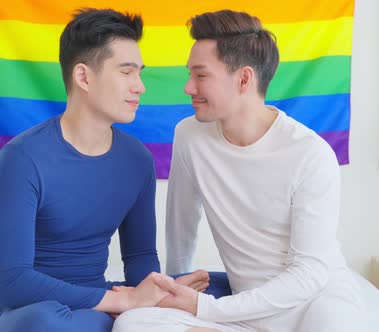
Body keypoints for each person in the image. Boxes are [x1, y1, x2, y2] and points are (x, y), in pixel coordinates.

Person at [113, 10, 364, 332]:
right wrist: (178, 289)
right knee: (133, 324)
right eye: (190, 74)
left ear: (244, 79)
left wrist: (207, 307)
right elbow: (182, 223)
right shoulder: (190, 135)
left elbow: (310, 273)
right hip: (242, 310)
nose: (189, 87)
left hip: (314, 303)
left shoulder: (309, 153)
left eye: (201, 75)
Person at [0, 8, 209, 332]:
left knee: (216, 287)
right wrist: (121, 302)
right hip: (25, 313)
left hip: (94, 307)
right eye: (127, 72)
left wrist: (161, 292)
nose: (140, 86)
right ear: (84, 77)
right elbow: (11, 284)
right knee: (45, 322)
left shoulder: (137, 160)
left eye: (139, 73)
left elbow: (140, 258)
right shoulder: (21, 158)